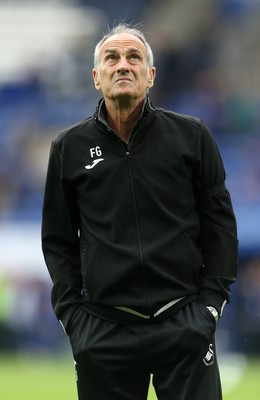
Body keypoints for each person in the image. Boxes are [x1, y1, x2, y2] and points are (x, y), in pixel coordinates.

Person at [41, 23, 238, 400]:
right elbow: (58, 239)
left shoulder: (192, 136)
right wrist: (73, 318)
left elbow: (221, 227)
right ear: (97, 77)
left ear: (151, 75)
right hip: (103, 330)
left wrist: (210, 307)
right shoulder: (69, 148)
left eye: (134, 57)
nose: (123, 65)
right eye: (111, 58)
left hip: (183, 322)